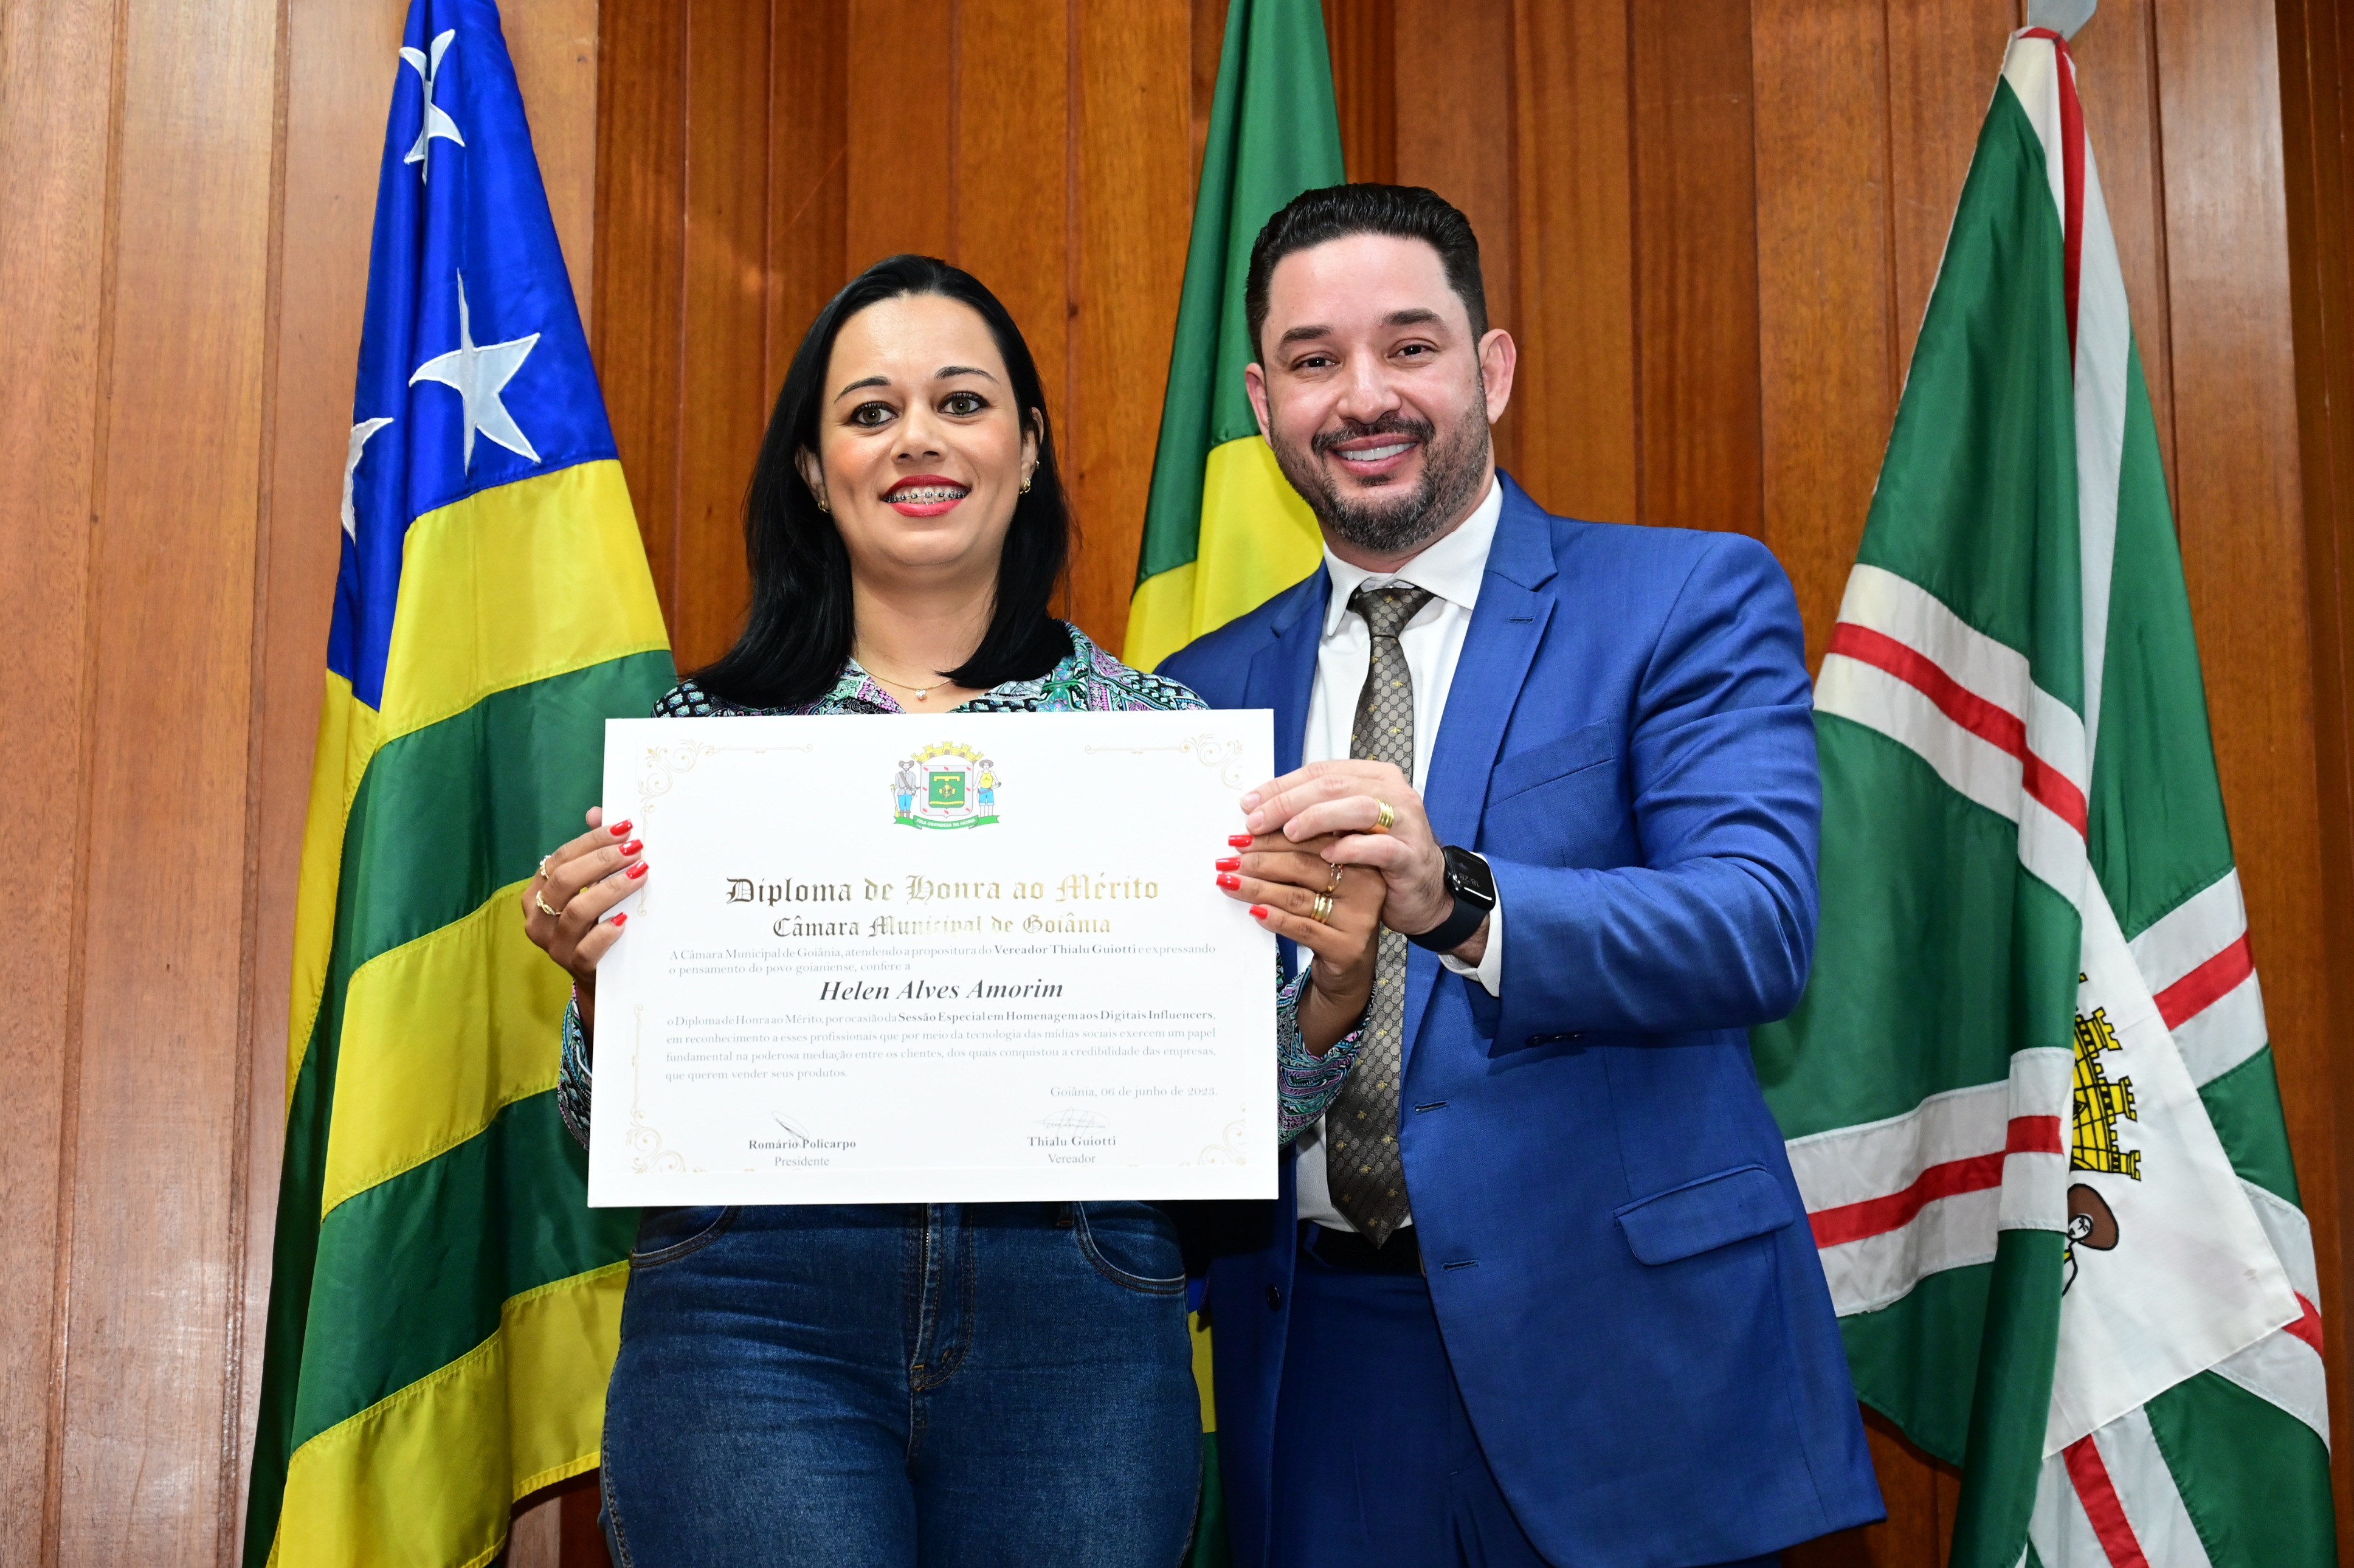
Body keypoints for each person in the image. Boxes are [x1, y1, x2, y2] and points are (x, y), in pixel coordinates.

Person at [520, 254, 1385, 1568]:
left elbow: (1235, 1117)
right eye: (870, 412)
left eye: (962, 402)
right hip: (755, 1316)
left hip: (1079, 1313)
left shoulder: (1156, 740)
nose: (916, 438)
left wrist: (1335, 992)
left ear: (1026, 450)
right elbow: (610, 1131)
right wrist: (601, 989)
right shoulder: (701, 747)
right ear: (814, 471)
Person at [1160, 186, 1884, 1568]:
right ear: (1263, 404)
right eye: (1314, 360)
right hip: (1319, 1368)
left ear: (1490, 369)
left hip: (1629, 1364)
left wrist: (1452, 897)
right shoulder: (1195, 693)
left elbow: (1756, 924)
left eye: (1409, 347)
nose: (1363, 396)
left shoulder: (1683, 600)